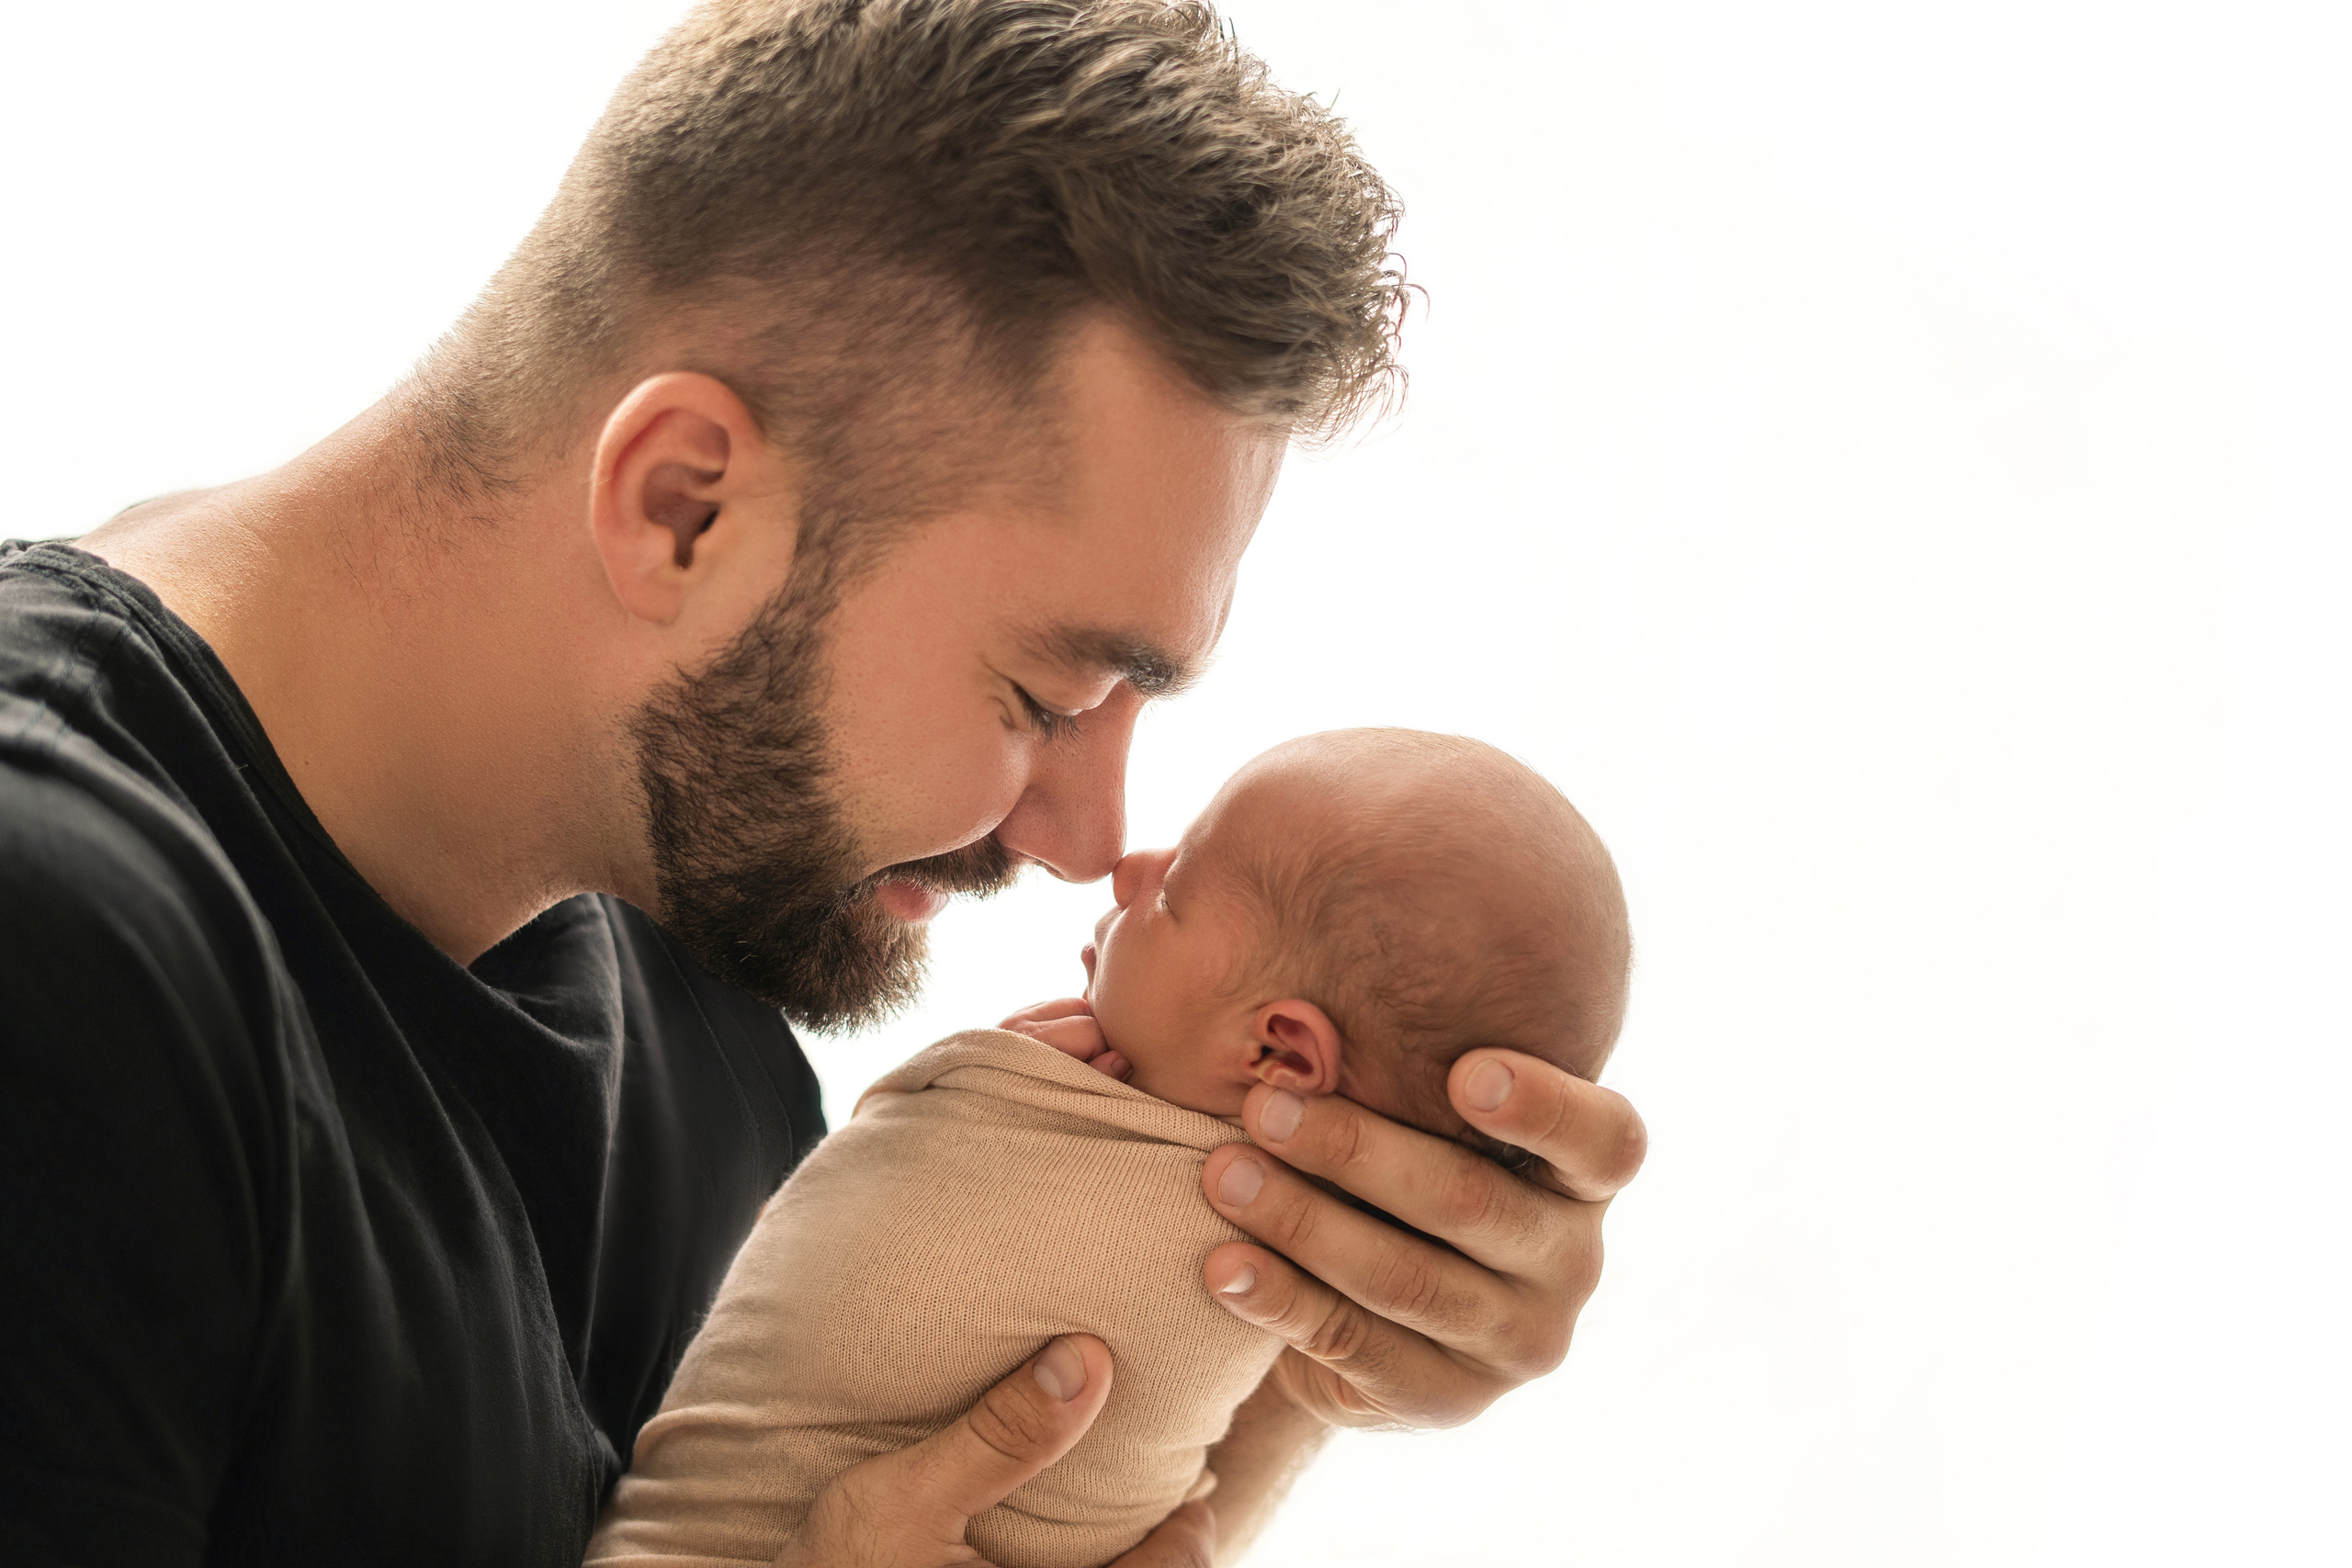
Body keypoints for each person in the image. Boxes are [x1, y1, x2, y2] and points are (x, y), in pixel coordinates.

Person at [0, 3, 1646, 1565]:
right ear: (684, 507)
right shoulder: (55, 957)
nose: (1085, 844)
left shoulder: (701, 997)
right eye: (1040, 695)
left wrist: (1315, 1339)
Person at [584, 729, 1631, 1568]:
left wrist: (1327, 1365)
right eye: (1037, 691)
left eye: (1174, 894)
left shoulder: (723, 1055)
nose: (1117, 857)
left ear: (1278, 1051)